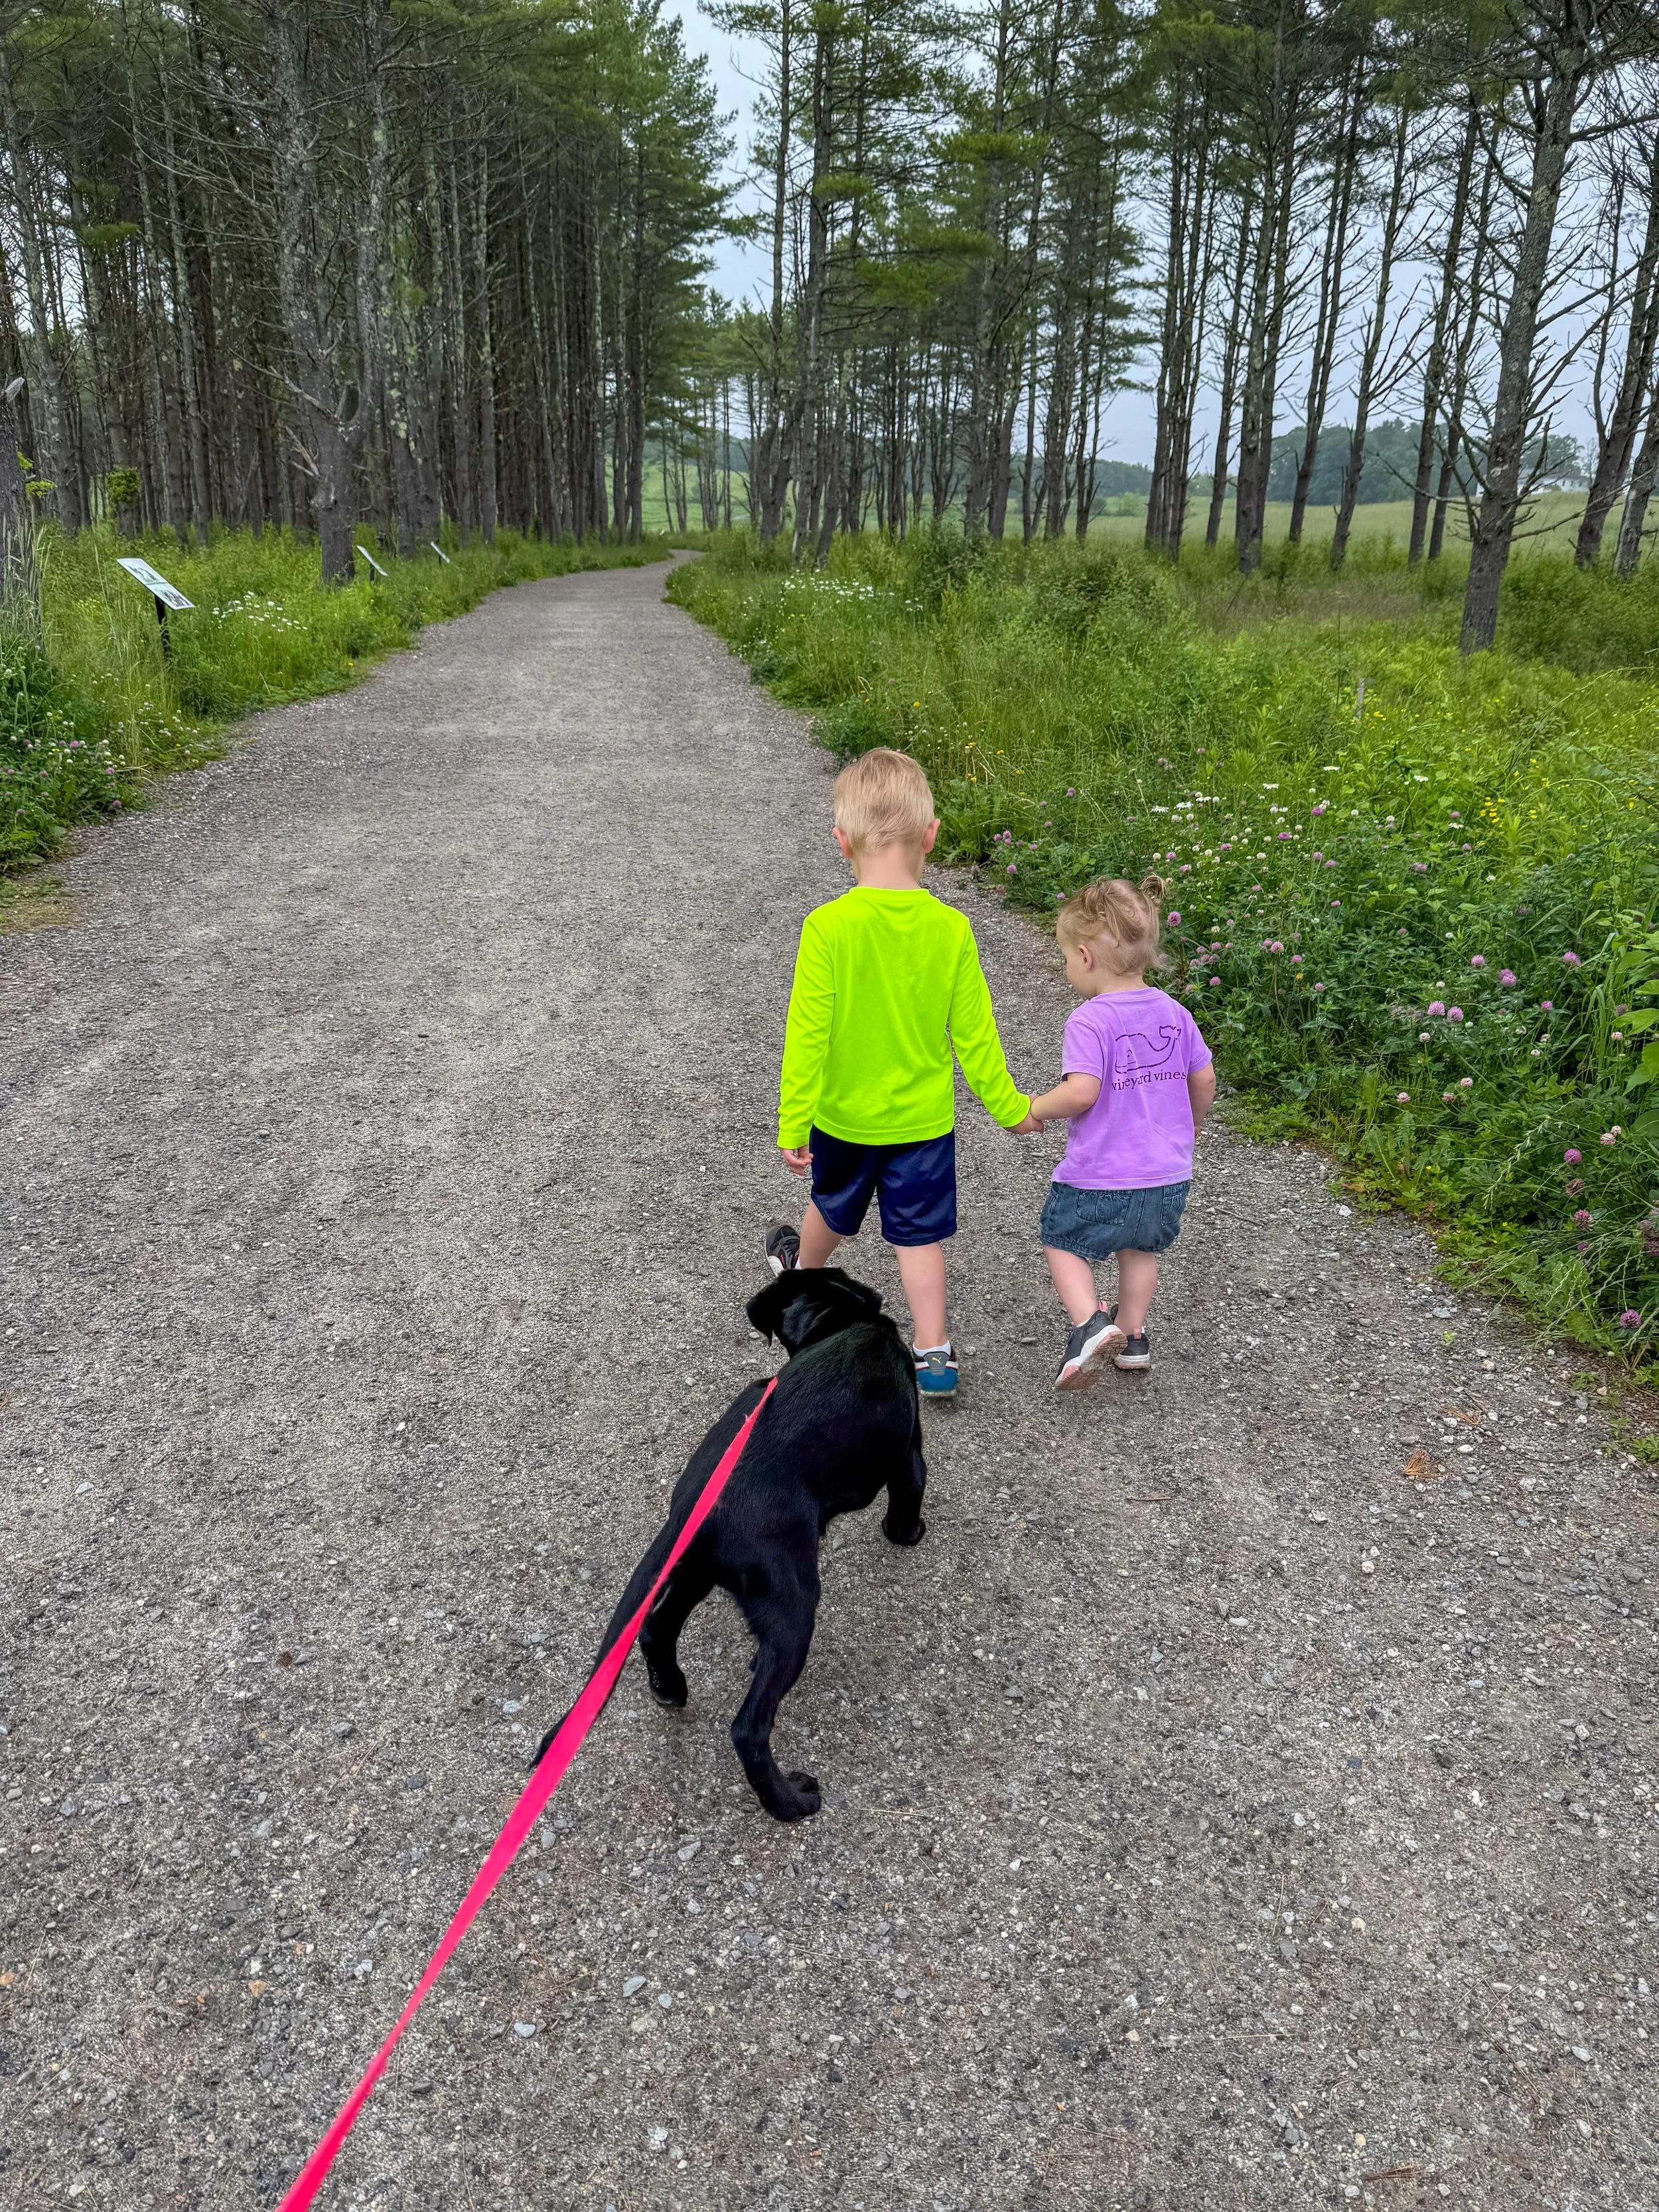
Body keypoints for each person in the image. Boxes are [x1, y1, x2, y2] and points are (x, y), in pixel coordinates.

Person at [767, 748, 1035, 1400]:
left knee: (831, 1205)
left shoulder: (827, 928)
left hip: (844, 1118)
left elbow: (808, 1034)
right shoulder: (951, 930)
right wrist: (1009, 1106)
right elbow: (975, 1037)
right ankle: (933, 1353)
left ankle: (800, 1276)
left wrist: (792, 1119)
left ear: (841, 842)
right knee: (918, 1237)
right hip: (921, 1125)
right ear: (932, 836)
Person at [1025, 873, 1214, 1390]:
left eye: (1067, 958)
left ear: (1086, 957)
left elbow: (1082, 1092)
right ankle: (1132, 1337)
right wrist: (1189, 1126)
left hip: (1102, 1175)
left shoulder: (1090, 1020)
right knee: (1140, 1250)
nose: (1068, 969)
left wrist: (1036, 1106)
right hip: (1167, 1175)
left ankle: (1089, 1322)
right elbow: (1205, 1077)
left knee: (1061, 1238)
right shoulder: (1176, 1013)